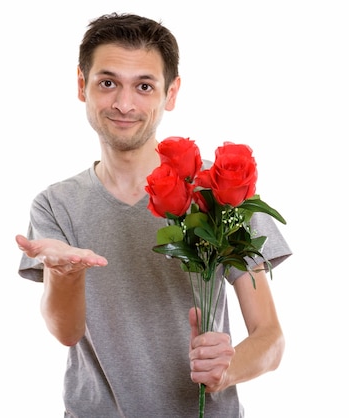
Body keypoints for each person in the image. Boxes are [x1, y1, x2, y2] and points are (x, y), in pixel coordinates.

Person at [15, 12, 291, 417]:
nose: (124, 104)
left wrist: (226, 369)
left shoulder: (218, 190)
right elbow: (66, 332)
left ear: (171, 93)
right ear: (82, 85)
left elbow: (270, 339)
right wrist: (64, 272)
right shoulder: (57, 204)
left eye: (144, 86)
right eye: (107, 83)